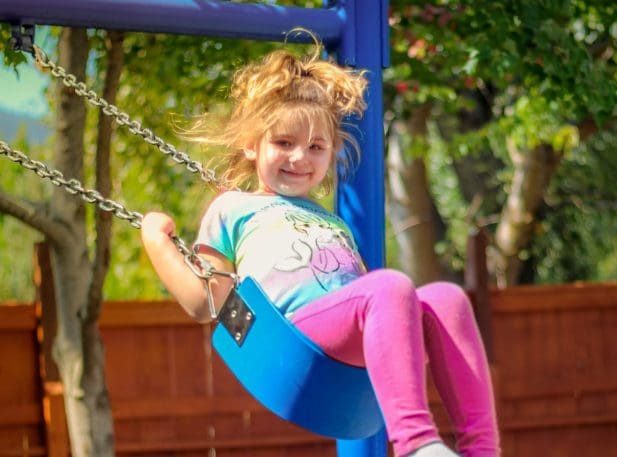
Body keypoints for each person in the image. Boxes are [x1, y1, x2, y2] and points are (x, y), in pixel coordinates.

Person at [139, 45, 499, 457]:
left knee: (446, 298)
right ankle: (417, 443)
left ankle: (481, 450)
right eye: (284, 142)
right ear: (251, 144)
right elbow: (204, 302)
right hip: (294, 339)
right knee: (388, 285)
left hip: (352, 346)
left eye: (316, 147)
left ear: (332, 152)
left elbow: (372, 299)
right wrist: (156, 239)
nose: (299, 158)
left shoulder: (333, 221)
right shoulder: (233, 208)